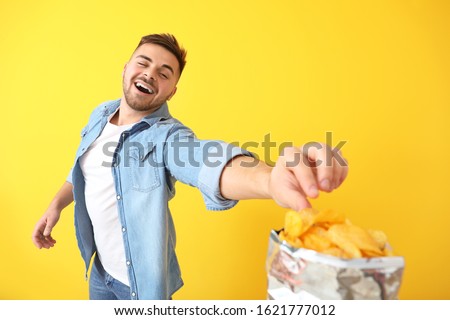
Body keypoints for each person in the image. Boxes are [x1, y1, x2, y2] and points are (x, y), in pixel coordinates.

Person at [32, 33, 348, 300]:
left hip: (140, 288)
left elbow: (204, 159)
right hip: (99, 273)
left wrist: (269, 180)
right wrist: (56, 205)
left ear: (172, 91)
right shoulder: (101, 114)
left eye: (164, 72)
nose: (150, 73)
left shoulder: (168, 136)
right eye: (143, 63)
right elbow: (82, 170)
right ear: (127, 68)